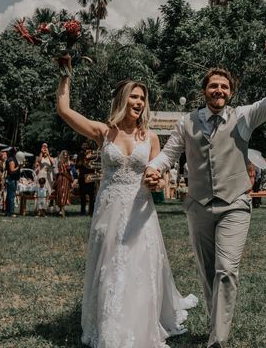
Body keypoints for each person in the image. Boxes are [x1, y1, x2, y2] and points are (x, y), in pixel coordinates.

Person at [144, 37, 266, 348]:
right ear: (204, 91)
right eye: (213, 86)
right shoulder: (187, 123)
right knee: (208, 271)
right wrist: (155, 167)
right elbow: (169, 154)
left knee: (227, 270)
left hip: (234, 204)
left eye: (224, 87)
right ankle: (216, 326)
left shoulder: (244, 116)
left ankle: (217, 340)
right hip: (198, 206)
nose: (219, 91)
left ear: (231, 92)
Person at [55, 58, 197, 348]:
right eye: (134, 96)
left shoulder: (152, 137)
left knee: (140, 266)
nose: (139, 102)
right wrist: (65, 74)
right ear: (122, 99)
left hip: (142, 209)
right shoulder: (103, 132)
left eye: (143, 98)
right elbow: (64, 110)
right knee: (110, 265)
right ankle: (108, 323)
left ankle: (140, 321)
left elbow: (162, 175)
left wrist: (158, 182)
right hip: (110, 209)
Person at [76, 141, 96, 215]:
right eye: (83, 146)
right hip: (82, 176)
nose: (84, 147)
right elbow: (76, 166)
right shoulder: (80, 154)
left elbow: (95, 164)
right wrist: (81, 161)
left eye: (86, 146)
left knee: (91, 195)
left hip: (90, 175)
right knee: (83, 195)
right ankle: (82, 211)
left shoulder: (92, 154)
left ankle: (91, 211)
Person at [53, 150, 73, 218]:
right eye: (64, 155)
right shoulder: (60, 162)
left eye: (66, 155)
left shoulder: (68, 162)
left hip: (66, 180)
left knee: (65, 195)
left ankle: (62, 210)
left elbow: (69, 170)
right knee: (61, 194)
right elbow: (62, 172)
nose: (65, 156)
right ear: (62, 155)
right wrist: (70, 177)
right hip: (61, 179)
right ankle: (62, 210)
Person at [5, 148, 20, 217]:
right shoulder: (11, 160)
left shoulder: (10, 159)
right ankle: (10, 212)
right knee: (11, 196)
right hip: (12, 179)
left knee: (9, 196)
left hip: (10, 179)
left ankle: (7, 211)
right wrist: (19, 167)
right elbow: (12, 170)